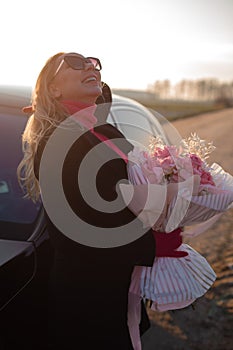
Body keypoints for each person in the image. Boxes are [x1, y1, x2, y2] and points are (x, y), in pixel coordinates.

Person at [17, 52, 157, 350]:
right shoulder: (57, 141)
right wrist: (156, 238)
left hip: (112, 283)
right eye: (76, 62)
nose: (91, 66)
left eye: (94, 63)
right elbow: (84, 228)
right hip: (87, 292)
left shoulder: (99, 129)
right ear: (54, 88)